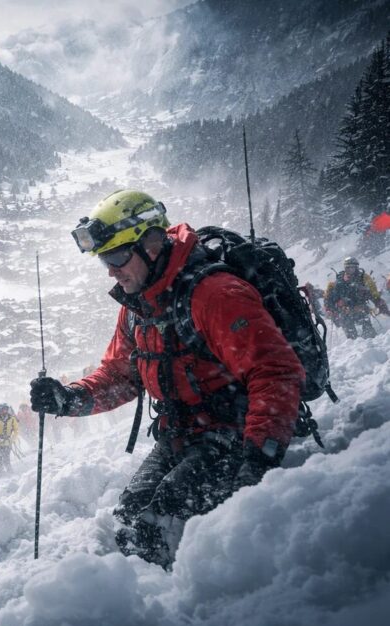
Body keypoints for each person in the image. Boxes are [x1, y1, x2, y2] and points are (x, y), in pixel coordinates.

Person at [31, 189, 305, 569]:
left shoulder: (215, 295)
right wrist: (69, 398)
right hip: (180, 434)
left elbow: (275, 372)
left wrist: (260, 454)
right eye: (103, 261)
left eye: (116, 257)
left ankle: (193, 613)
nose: (111, 270)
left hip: (236, 433)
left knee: (162, 520)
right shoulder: (138, 306)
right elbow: (121, 375)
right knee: (130, 517)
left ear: (153, 243)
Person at [324, 256, 389, 339]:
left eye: (353, 268)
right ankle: (353, 343)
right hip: (345, 311)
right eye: (348, 268)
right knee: (350, 333)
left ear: (356, 267)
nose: (350, 270)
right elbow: (330, 297)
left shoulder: (364, 278)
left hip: (361, 308)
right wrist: (330, 309)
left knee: (368, 330)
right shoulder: (338, 281)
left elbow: (373, 292)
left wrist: (378, 301)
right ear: (345, 268)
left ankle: (371, 340)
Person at [0, 403, 20, 475]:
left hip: (7, 442)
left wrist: (12, 440)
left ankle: (9, 472)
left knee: (6, 459)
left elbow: (16, 431)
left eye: (6, 409)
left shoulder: (12, 419)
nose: (4, 411)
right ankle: (1, 472)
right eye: (3, 410)